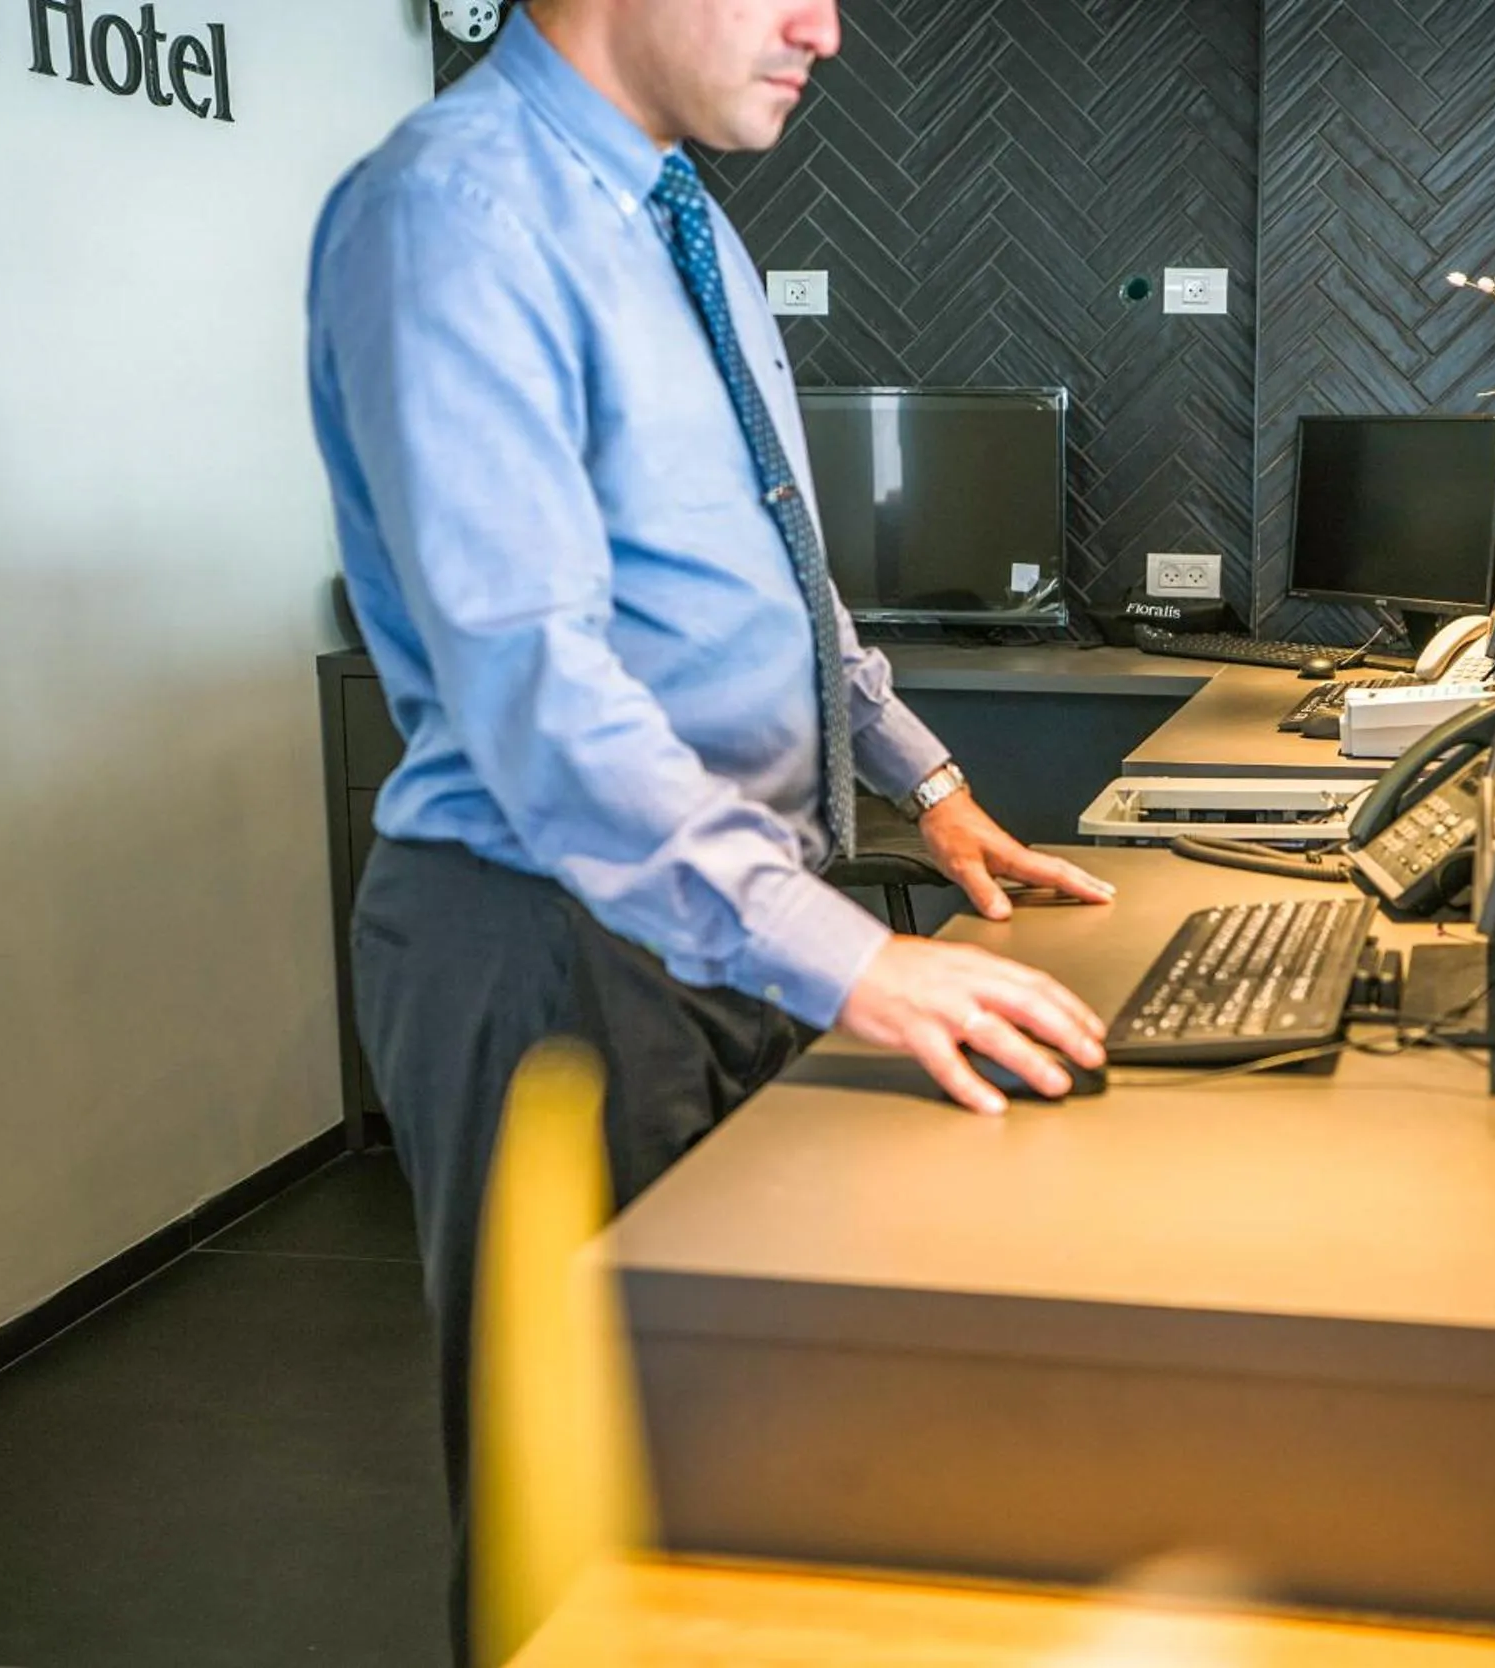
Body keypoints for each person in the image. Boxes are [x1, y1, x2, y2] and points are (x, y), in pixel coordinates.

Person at [303, 0, 1113, 1654]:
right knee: (580, 1505)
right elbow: (540, 682)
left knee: (724, 1461)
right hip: (546, 938)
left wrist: (928, 785)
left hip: (716, 913)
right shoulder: (454, 210)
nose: (830, 28)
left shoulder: (693, 231)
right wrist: (856, 964)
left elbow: (780, 580)